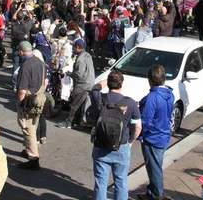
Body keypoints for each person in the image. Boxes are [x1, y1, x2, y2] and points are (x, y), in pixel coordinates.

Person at [90, 70, 142, 200]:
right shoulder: (130, 103)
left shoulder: (99, 98)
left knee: (100, 183)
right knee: (121, 182)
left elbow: (94, 88)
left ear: (109, 83)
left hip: (101, 145)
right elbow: (137, 127)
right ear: (121, 84)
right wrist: (130, 141)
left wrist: (105, 82)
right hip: (121, 145)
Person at [137, 65, 174, 200]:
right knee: (155, 166)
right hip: (163, 135)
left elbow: (145, 120)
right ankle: (151, 192)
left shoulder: (153, 97)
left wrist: (140, 135)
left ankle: (157, 195)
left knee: (154, 169)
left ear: (150, 80)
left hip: (152, 138)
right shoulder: (169, 94)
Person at [16, 41, 47, 170]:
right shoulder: (39, 62)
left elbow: (22, 90)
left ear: (21, 51)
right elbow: (44, 81)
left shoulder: (25, 65)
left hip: (28, 100)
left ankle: (33, 157)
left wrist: (20, 103)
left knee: (27, 128)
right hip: (39, 98)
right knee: (33, 125)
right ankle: (28, 149)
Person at [58, 38, 95, 129]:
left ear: (78, 48)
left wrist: (69, 74)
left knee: (75, 104)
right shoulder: (87, 55)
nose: (72, 49)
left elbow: (78, 75)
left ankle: (68, 123)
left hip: (83, 84)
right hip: (90, 83)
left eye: (73, 47)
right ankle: (77, 122)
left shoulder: (80, 60)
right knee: (81, 104)